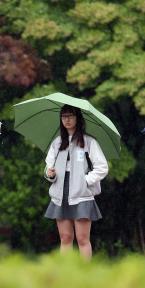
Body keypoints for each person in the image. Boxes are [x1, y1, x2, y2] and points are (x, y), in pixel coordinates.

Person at [44, 105, 108, 261]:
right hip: (60, 193)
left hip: (82, 195)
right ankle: (65, 275)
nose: (67, 119)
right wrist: (49, 173)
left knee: (82, 238)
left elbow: (102, 168)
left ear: (78, 118)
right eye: (64, 116)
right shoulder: (57, 143)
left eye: (70, 116)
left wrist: (85, 181)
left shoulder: (89, 142)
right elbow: (48, 167)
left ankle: (84, 275)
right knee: (65, 238)